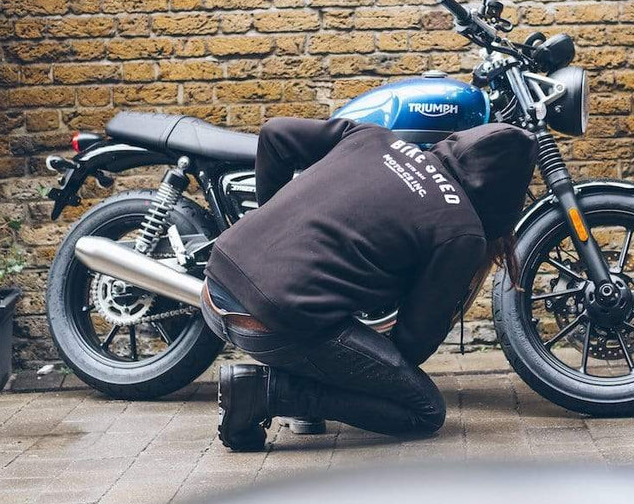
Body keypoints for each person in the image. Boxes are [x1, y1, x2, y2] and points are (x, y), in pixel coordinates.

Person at [200, 117, 537, 452]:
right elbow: (412, 344)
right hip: (268, 326)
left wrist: (270, 221)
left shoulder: (374, 137)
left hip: (215, 283)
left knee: (331, 330)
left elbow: (275, 134)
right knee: (425, 410)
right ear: (505, 200)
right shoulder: (462, 232)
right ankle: (262, 392)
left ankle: (285, 381)